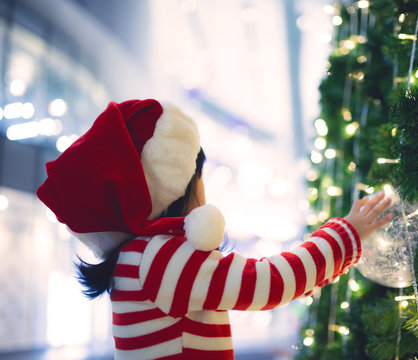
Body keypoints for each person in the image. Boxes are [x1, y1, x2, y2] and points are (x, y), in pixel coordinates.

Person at [37, 99, 392, 360]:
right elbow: (267, 283)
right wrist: (347, 233)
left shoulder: (133, 259)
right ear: (176, 186)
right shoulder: (159, 258)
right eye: (199, 177)